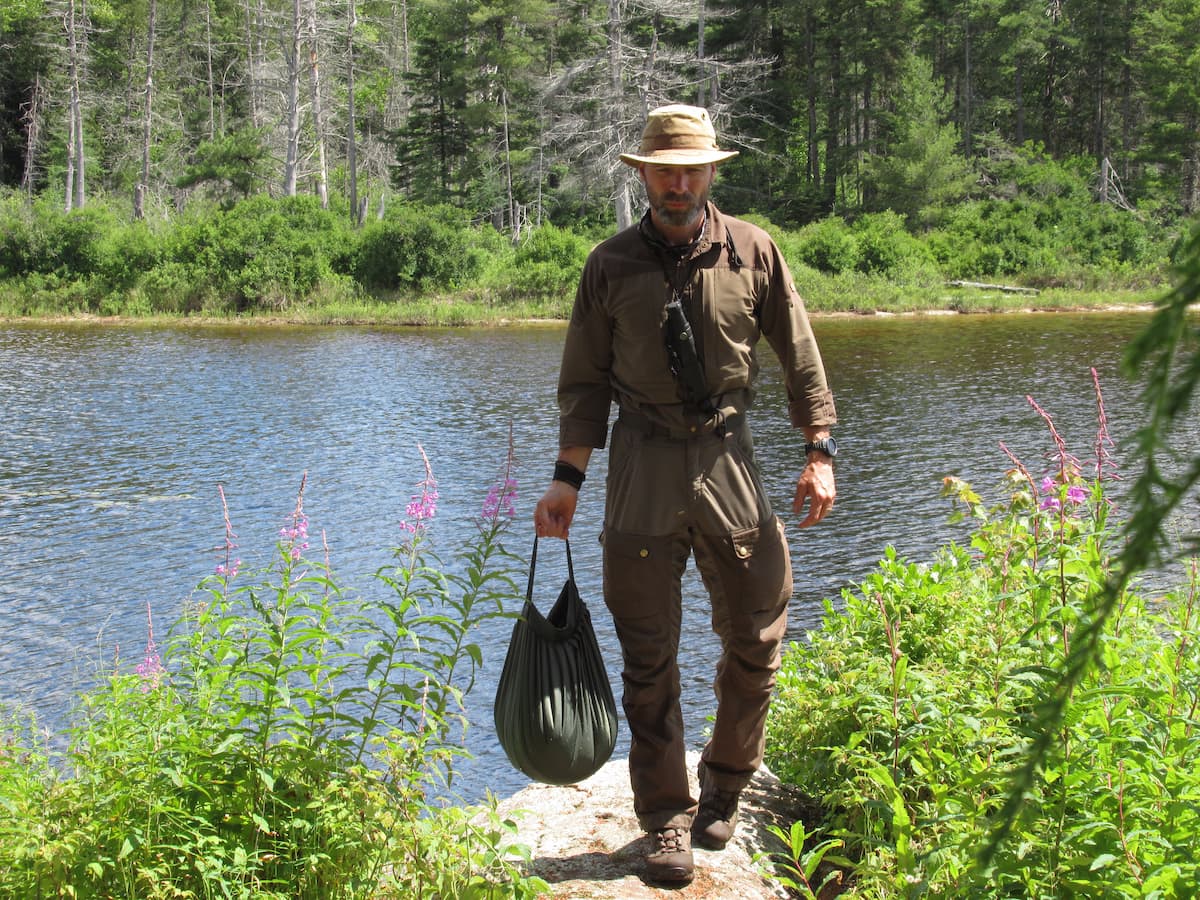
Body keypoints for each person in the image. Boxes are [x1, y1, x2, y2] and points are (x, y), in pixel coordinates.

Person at [533, 104, 837, 886]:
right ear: (644, 176)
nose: (677, 183)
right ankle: (665, 818)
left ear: (711, 174)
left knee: (757, 635)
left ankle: (726, 787)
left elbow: (800, 357)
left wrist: (819, 450)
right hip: (639, 466)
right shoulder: (608, 266)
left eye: (690, 169)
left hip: (728, 459)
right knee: (648, 653)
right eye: (663, 170)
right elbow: (583, 384)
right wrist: (568, 480)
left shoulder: (754, 252)